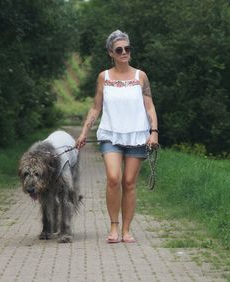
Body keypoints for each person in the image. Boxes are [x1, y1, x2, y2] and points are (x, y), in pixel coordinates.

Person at [76, 30, 158, 243]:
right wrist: (84, 132)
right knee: (114, 178)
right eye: (119, 50)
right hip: (110, 135)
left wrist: (154, 132)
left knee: (129, 182)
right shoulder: (104, 77)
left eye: (127, 49)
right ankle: (114, 227)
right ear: (110, 53)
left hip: (137, 136)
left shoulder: (141, 76)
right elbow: (96, 108)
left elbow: (149, 107)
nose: (124, 52)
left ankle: (126, 230)